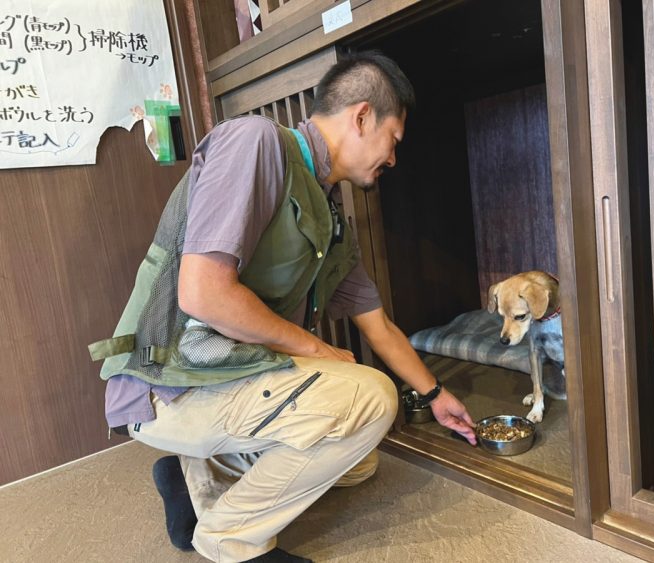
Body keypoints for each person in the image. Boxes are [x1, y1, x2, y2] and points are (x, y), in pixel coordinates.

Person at [90, 50, 476, 563]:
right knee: (372, 399)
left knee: (358, 460)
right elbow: (202, 292)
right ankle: (230, 540)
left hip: (223, 382)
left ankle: (195, 478)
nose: (393, 160)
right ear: (362, 117)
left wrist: (435, 394)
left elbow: (377, 325)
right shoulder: (254, 142)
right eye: (394, 141)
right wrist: (316, 348)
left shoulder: (329, 215)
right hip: (168, 386)